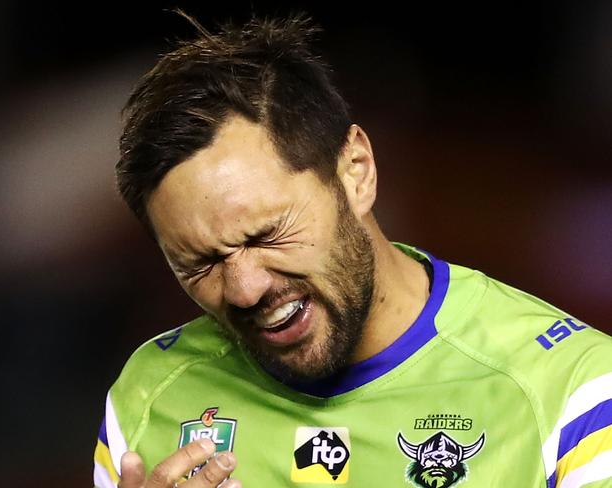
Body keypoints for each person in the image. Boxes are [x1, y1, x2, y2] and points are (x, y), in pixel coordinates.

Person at [93, 12, 612, 488]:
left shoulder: (574, 396)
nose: (245, 289)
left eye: (266, 234)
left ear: (355, 173)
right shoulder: (150, 399)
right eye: (200, 264)